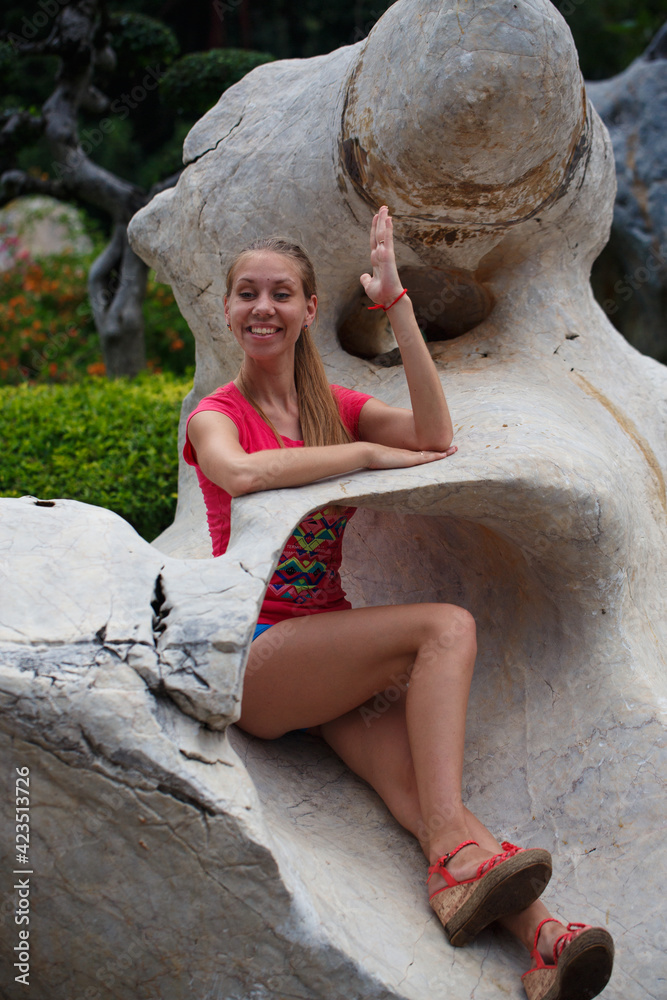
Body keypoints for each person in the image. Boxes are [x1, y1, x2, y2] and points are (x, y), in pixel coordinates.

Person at [184, 206, 614, 1000]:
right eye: (247, 293)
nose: (262, 308)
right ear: (229, 308)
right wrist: (366, 455)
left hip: (328, 661)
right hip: (256, 651)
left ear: (310, 309)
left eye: (281, 294)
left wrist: (396, 306)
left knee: (419, 794)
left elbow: (435, 435)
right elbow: (239, 474)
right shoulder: (218, 415)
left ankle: (545, 942)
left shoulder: (333, 406)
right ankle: (453, 846)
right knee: (444, 627)